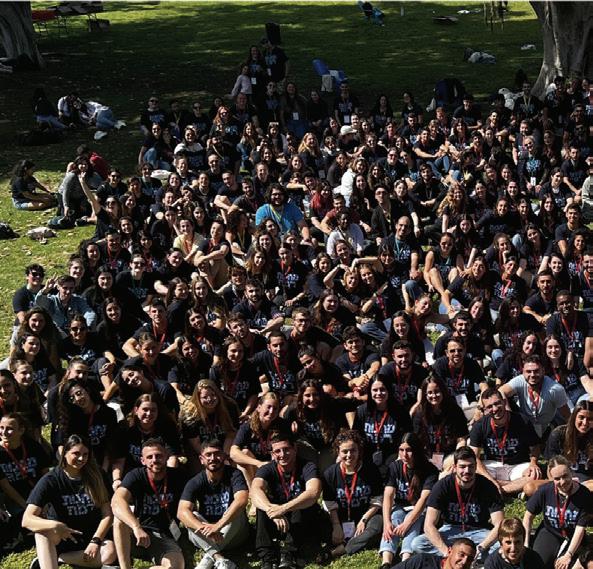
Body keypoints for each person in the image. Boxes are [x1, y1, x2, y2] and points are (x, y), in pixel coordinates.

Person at [22, 434, 117, 569]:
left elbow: (107, 515)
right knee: (42, 532)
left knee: (110, 553)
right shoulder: (51, 480)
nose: (81, 458)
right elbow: (27, 519)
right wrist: (55, 525)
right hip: (62, 535)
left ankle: (57, 558)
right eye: (76, 453)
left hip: (91, 535)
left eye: (85, 454)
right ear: (64, 453)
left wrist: (95, 541)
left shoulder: (97, 475)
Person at [250, 430, 331, 569]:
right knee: (262, 505)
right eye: (277, 451)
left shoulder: (308, 466)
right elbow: (255, 490)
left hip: (302, 519)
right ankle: (267, 558)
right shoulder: (267, 468)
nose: (282, 454)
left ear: (295, 448)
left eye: (286, 449)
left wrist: (283, 508)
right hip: (277, 519)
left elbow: (313, 492)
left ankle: (289, 553)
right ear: (272, 454)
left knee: (300, 499)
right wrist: (271, 510)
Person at [411, 446, 505, 561]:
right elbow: (429, 525)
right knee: (418, 543)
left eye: (471, 466)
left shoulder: (488, 486)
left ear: (476, 466)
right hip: (450, 530)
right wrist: (445, 551)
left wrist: (482, 547)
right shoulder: (442, 486)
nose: (467, 471)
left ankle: (466, 557)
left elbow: (499, 524)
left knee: (501, 546)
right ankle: (462, 558)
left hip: (479, 531)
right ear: (455, 467)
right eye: (462, 467)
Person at [111, 437, 187, 569]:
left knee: (176, 567)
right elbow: (116, 502)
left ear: (166, 457)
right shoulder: (136, 475)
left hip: (164, 535)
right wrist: (136, 527)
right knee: (119, 519)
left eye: (159, 455)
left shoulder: (179, 477)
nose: (154, 460)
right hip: (137, 534)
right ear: (143, 460)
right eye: (149, 457)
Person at [177, 438, 249, 569]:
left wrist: (218, 525)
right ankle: (218, 557)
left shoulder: (234, 474)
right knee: (191, 516)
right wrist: (205, 528)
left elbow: (242, 499)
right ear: (201, 459)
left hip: (234, 532)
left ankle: (208, 557)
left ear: (224, 456)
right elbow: (181, 512)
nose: (213, 458)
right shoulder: (195, 481)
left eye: (217, 454)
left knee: (236, 510)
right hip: (207, 533)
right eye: (208, 455)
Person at [321, 429, 383, 560]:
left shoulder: (371, 470)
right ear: (338, 452)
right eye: (345, 451)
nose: (349, 455)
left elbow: (377, 500)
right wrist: (336, 526)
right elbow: (329, 504)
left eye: (353, 450)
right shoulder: (330, 473)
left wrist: (364, 520)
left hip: (366, 516)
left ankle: (341, 550)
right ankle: (348, 540)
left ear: (359, 451)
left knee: (377, 525)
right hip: (340, 517)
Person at [523, 455, 593, 569]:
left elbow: (580, 529)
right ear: (551, 478)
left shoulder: (584, 495)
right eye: (557, 479)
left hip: (573, 535)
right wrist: (525, 544)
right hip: (550, 531)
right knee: (538, 563)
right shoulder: (545, 490)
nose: (563, 482)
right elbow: (528, 516)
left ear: (571, 472)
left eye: (565, 476)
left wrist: (568, 554)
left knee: (567, 566)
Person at [380, 432, 439, 566]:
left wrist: (407, 523)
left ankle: (405, 561)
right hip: (401, 506)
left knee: (413, 523)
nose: (404, 455)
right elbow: (388, 495)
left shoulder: (430, 470)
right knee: (394, 517)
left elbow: (424, 499)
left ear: (417, 451)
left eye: (409, 450)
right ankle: (386, 561)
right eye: (401, 450)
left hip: (420, 509)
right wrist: (386, 522)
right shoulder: (395, 467)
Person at [469, 387, 542, 495]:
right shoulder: (480, 425)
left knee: (534, 474)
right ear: (485, 410)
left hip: (517, 465)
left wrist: (533, 463)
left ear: (504, 402)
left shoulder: (522, 420)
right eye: (489, 407)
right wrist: (489, 478)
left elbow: (535, 447)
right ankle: (513, 488)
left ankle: (498, 490)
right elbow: (474, 456)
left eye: (497, 403)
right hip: (492, 465)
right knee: (472, 470)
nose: (494, 409)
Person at [499, 355, 571, 437]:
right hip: (524, 425)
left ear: (543, 371)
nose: (532, 375)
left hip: (546, 426)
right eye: (528, 371)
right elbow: (501, 391)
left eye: (536, 371)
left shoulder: (555, 389)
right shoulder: (520, 380)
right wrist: (508, 414)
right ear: (523, 372)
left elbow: (567, 415)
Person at [393, 538, 476, 569]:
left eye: (470, 559)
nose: (464, 561)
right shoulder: (422, 560)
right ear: (450, 551)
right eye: (461, 555)